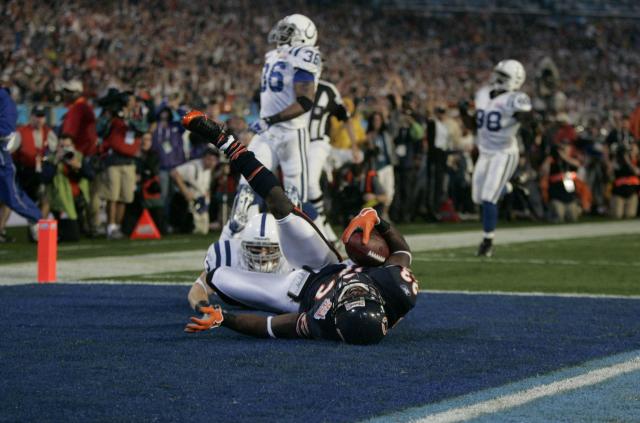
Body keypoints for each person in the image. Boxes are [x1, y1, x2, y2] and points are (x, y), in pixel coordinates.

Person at [182, 110, 417, 345]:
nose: (353, 287)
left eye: (348, 296)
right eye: (362, 291)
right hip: (326, 263)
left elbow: (269, 326)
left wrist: (224, 318)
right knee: (280, 204)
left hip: (292, 293)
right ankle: (226, 141)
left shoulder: (321, 320)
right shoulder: (397, 289)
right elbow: (402, 253)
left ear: (335, 312)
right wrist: (376, 219)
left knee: (219, 276)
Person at [222, 14, 321, 240]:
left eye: (289, 31)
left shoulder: (305, 54)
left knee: (295, 200)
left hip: (290, 133)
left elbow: (305, 101)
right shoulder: (275, 55)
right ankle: (243, 242)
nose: (282, 34)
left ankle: (306, 247)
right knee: (247, 189)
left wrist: (269, 119)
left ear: (304, 36)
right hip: (267, 130)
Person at [459, 60, 532, 257]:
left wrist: (523, 118)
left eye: (503, 76)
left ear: (515, 80)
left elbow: (527, 120)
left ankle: (487, 241)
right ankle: (510, 187)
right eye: (497, 74)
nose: (497, 78)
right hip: (485, 151)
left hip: (504, 152)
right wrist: (463, 112)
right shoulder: (483, 94)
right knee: (477, 197)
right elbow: (475, 125)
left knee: (489, 196)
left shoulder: (516, 99)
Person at [307, 79, 356, 242]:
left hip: (318, 143)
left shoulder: (327, 90)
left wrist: (354, 146)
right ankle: (316, 228)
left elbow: (345, 117)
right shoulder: (293, 85)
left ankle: (323, 224)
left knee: (310, 183)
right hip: (296, 144)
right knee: (297, 190)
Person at [97, 89, 148, 239]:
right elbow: (99, 130)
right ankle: (110, 226)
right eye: (132, 100)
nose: (135, 102)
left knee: (125, 196)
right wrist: (111, 115)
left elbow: (142, 128)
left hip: (129, 161)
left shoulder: (137, 116)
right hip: (114, 159)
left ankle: (117, 226)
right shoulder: (112, 114)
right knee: (112, 196)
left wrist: (127, 119)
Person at [0, 84, 42, 242]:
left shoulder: (5, 102)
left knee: (13, 198)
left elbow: (6, 129)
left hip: (2, 161)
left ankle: (37, 219)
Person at [170, 147, 218, 234]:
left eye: (214, 160)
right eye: (209, 159)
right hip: (186, 201)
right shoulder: (193, 167)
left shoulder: (209, 170)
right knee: (189, 228)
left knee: (203, 229)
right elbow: (174, 173)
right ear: (204, 158)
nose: (211, 162)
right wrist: (185, 191)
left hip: (200, 201)